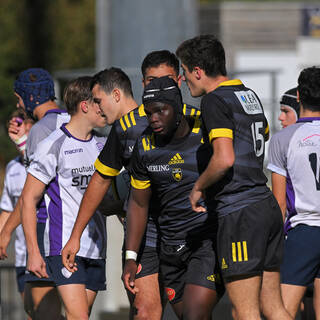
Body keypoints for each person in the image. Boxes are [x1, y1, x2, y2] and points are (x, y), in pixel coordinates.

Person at [62, 52, 199, 320]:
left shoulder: (199, 121)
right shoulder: (126, 128)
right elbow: (100, 180)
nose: (159, 87)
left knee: (193, 313)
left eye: (167, 80)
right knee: (146, 311)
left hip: (189, 232)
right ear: (143, 84)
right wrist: (76, 234)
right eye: (151, 81)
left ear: (180, 82)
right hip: (144, 235)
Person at [176, 34, 292, 320]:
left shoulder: (214, 101)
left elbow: (225, 158)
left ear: (198, 71)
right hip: (265, 206)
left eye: (185, 71)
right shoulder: (247, 93)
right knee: (274, 308)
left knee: (244, 311)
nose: (184, 79)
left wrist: (198, 186)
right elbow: (261, 135)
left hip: (240, 212)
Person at [122, 76, 223, 320]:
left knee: (194, 315)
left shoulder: (205, 133)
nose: (154, 118)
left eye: (161, 111)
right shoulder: (145, 147)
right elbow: (138, 204)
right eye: (148, 112)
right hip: (170, 250)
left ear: (177, 107)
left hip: (205, 243)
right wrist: (130, 258)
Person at [21, 76, 108, 319]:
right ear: (85, 105)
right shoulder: (53, 145)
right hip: (62, 246)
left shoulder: (103, 144)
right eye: (99, 101)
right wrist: (33, 252)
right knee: (79, 316)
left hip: (96, 246)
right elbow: (28, 200)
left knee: (79, 316)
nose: (104, 107)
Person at [0, 68, 69, 319]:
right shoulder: (71, 121)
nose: (18, 105)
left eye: (19, 99)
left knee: (40, 312)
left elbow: (31, 195)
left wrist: (6, 232)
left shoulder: (40, 130)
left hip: (49, 229)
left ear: (29, 98)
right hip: (76, 231)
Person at [267, 67, 320, 319]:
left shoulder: (283, 139)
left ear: (298, 96)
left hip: (304, 232)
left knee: (282, 310)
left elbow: (279, 202)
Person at [0, 110, 33, 320]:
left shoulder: (46, 161)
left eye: (22, 123)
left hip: (50, 252)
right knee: (34, 314)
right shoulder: (12, 168)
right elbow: (7, 209)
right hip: (23, 257)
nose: (17, 129)